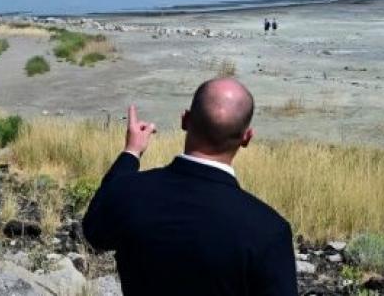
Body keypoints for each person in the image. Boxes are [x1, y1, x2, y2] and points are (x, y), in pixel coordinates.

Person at [82, 78, 297, 296]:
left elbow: (94, 232)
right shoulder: (269, 230)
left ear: (185, 120)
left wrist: (131, 153)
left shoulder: (129, 193)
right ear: (246, 137)